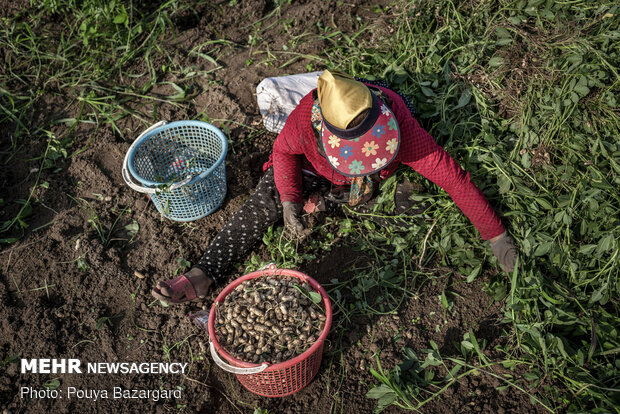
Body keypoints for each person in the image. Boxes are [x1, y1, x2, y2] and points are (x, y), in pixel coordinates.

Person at [152, 70, 518, 303]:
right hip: (315, 172)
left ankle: (329, 203)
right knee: (266, 199)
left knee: (408, 211)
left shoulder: (399, 125)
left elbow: (452, 176)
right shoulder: (303, 122)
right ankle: (203, 272)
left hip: (362, 185)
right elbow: (282, 153)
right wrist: (289, 201)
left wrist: (497, 237)